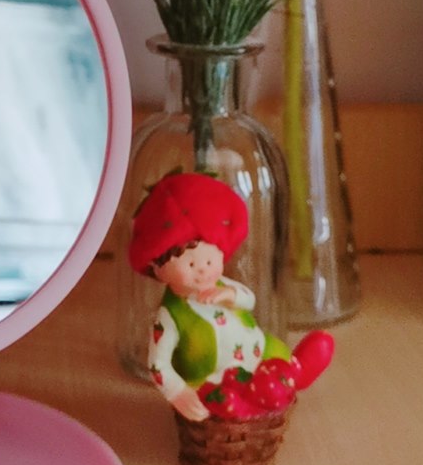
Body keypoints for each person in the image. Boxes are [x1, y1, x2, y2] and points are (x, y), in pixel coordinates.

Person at [129, 171, 333, 422]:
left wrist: (231, 294)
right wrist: (178, 392)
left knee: (278, 356)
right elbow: (158, 364)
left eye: (209, 260)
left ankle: (293, 373)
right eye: (190, 264)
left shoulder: (221, 285)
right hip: (214, 379)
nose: (202, 270)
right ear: (157, 269)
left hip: (258, 352)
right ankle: (251, 405)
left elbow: (249, 300)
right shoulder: (169, 316)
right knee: (223, 399)